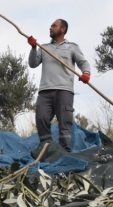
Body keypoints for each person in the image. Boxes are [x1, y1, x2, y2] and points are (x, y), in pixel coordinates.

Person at [28, 19, 91, 152]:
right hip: (45, 90)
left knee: (65, 122)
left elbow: (83, 62)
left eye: (54, 26)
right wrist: (33, 48)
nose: (50, 28)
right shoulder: (44, 47)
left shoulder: (72, 47)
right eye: (50, 25)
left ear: (63, 29)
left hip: (64, 90)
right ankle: (46, 148)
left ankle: (64, 152)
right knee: (41, 118)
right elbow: (33, 64)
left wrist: (86, 73)